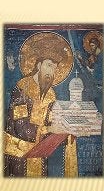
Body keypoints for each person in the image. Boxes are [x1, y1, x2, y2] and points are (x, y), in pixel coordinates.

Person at [4, 32, 73, 177]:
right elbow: (19, 125)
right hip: (18, 153)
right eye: (49, 65)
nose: (51, 71)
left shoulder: (50, 94)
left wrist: (64, 133)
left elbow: (49, 124)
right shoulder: (22, 88)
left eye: (54, 68)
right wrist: (49, 128)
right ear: (39, 65)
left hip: (39, 153)